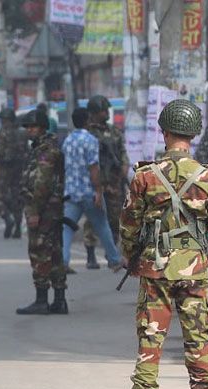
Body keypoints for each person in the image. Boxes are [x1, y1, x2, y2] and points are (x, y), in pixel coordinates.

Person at [119, 99, 208, 389]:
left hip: (155, 269)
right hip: (195, 270)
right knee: (199, 336)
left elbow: (128, 227)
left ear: (164, 131)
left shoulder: (145, 177)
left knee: (150, 338)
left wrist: (131, 258)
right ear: (193, 134)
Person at [15, 110, 68, 315]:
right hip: (51, 209)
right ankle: (60, 299)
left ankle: (42, 299)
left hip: (44, 209)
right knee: (54, 252)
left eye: (33, 127)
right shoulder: (43, 148)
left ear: (43, 127)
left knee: (40, 252)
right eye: (28, 127)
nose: (29, 131)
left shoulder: (46, 150)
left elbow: (42, 183)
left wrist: (35, 210)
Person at [60, 107, 123, 273]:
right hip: (88, 192)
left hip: (71, 192)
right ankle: (114, 260)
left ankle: (63, 261)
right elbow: (94, 168)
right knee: (102, 225)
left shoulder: (67, 140)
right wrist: (98, 191)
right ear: (87, 121)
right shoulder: (91, 140)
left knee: (66, 228)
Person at [82, 95, 129, 268]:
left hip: (114, 181)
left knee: (115, 218)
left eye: (106, 110)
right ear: (94, 113)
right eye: (102, 111)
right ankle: (90, 255)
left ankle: (112, 254)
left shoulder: (114, 131)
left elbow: (122, 151)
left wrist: (124, 166)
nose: (105, 113)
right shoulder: (87, 133)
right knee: (93, 219)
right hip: (95, 181)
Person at [0, 108, 28, 238]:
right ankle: (17, 225)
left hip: (4, 169)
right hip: (19, 169)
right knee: (17, 197)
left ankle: (7, 218)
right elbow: (26, 151)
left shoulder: (3, 133)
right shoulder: (23, 133)